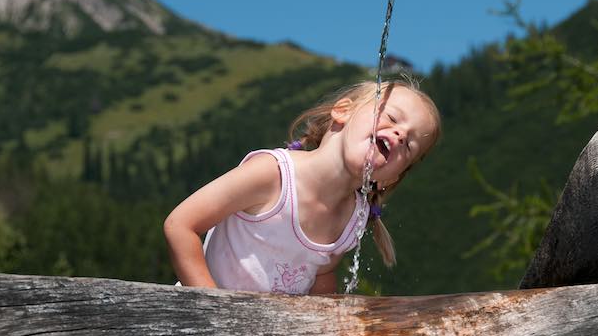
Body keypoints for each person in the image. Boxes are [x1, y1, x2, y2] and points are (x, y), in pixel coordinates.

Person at [164, 79, 441, 295]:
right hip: (197, 324)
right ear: (343, 111)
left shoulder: (351, 219)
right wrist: (211, 306)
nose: (400, 134)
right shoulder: (273, 175)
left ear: (392, 177)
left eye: (409, 144)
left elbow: (320, 275)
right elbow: (181, 225)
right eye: (392, 118)